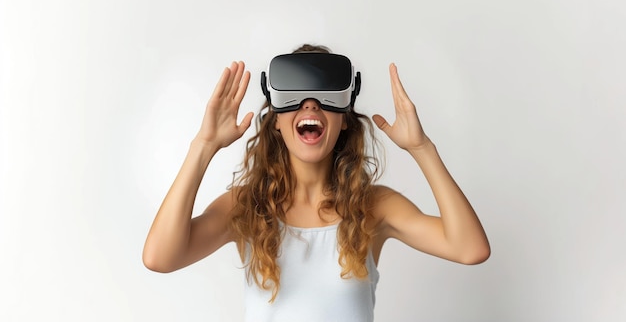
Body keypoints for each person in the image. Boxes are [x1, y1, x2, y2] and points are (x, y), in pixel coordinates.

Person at [143, 44, 490, 322]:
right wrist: (202, 147)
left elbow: (470, 249)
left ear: (344, 121)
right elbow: (160, 257)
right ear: (276, 121)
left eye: (325, 95)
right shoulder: (245, 206)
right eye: (295, 94)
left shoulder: (375, 207)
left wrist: (422, 148)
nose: (310, 103)